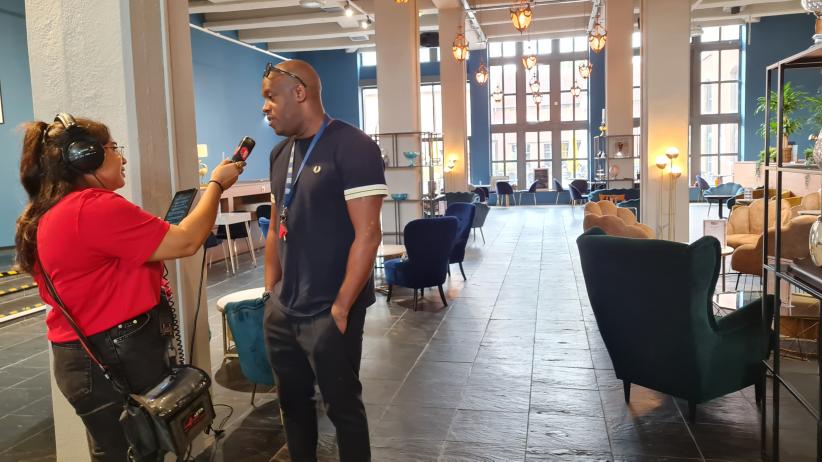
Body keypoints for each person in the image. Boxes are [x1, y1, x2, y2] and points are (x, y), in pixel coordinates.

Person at [14, 114, 243, 461]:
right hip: (113, 351)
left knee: (119, 450)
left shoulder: (51, 210)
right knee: (137, 450)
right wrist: (216, 185)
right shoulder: (92, 207)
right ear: (85, 156)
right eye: (112, 148)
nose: (121, 157)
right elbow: (186, 241)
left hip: (84, 356)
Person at [261, 60, 387, 461]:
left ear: (300, 92)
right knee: (292, 405)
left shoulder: (354, 146)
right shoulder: (280, 153)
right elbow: (275, 226)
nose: (265, 107)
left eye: (271, 96)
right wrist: (270, 292)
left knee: (343, 409)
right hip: (284, 307)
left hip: (329, 310)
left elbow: (368, 234)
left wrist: (342, 306)